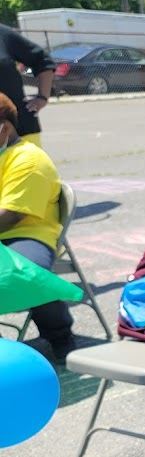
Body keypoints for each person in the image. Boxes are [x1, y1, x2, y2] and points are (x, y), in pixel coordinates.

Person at [0, 91, 75, 360]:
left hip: (25, 234)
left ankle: (59, 335)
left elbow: (10, 216)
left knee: (23, 272)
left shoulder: (28, 159)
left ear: (4, 128)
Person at [0, 23, 54, 145]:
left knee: (28, 164)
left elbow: (43, 60)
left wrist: (42, 97)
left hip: (19, 131)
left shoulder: (4, 34)